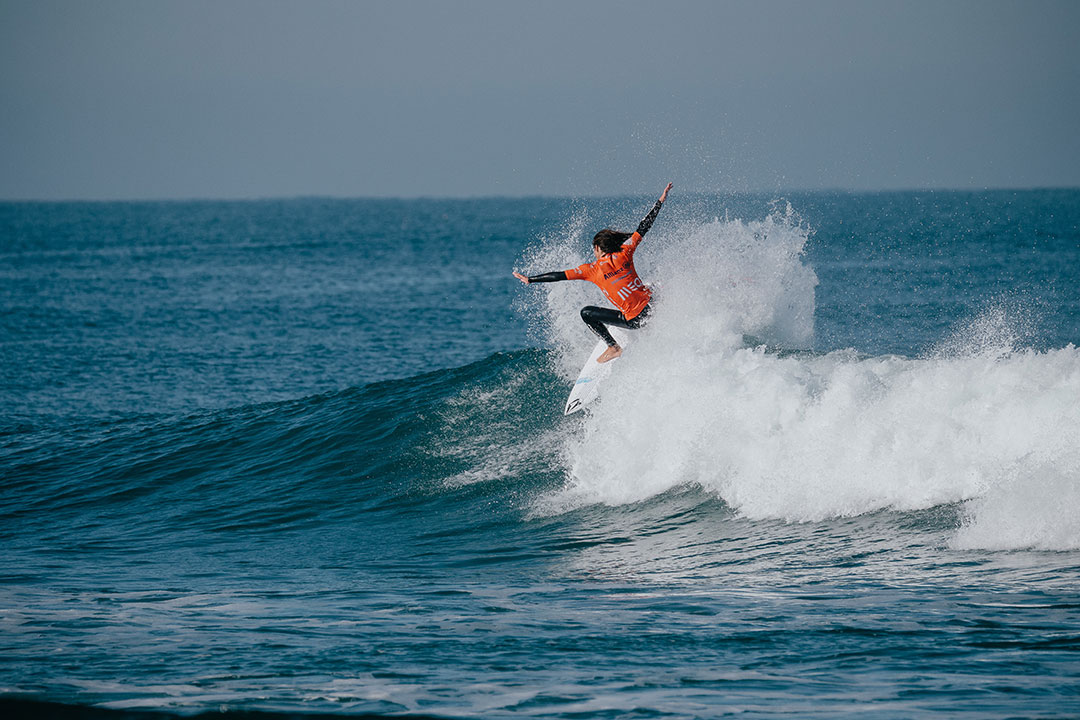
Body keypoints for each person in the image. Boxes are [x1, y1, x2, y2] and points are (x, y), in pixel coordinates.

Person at [514, 182, 673, 363]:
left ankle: (613, 347)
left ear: (597, 248)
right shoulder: (625, 252)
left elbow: (559, 275)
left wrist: (531, 279)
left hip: (635, 320)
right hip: (652, 308)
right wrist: (661, 200)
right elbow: (644, 226)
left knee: (586, 313)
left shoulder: (591, 270)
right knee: (655, 286)